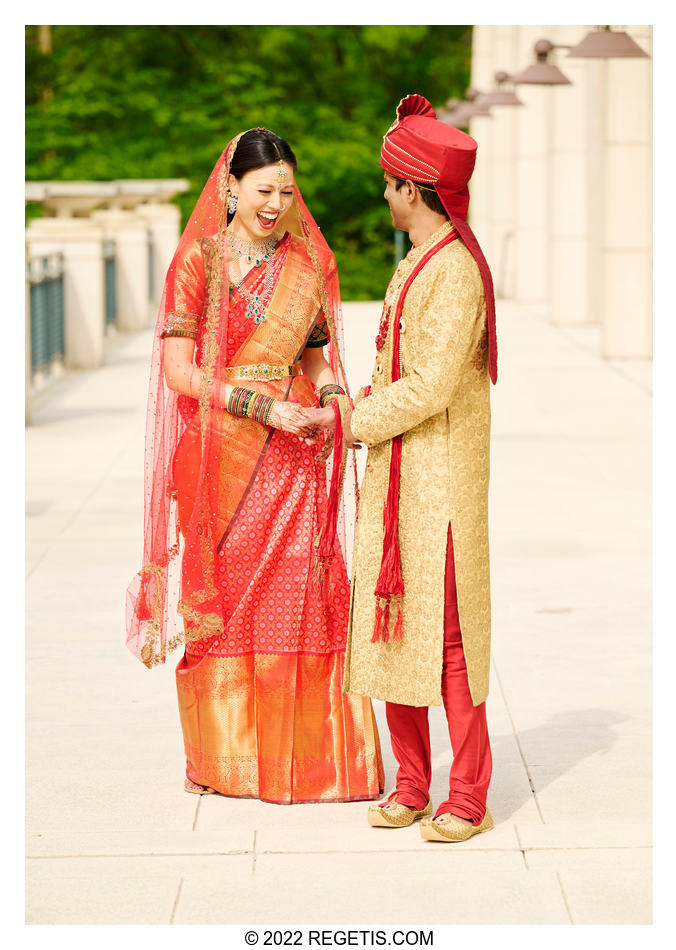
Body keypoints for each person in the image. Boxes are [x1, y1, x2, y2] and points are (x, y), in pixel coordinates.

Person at [125, 128, 384, 805]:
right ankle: (226, 756)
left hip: (296, 453)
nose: (275, 204)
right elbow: (179, 372)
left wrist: (331, 401)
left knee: (299, 597)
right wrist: (258, 406)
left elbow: (316, 357)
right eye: (264, 190)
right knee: (229, 603)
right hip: (223, 453)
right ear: (230, 187)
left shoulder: (307, 263)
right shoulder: (198, 263)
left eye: (287, 193)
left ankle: (312, 761)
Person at [303, 95, 498, 840]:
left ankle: (468, 794)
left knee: (449, 639)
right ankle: (413, 783)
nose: (383, 195)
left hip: (439, 486)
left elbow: (434, 385)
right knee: (392, 629)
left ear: (410, 190)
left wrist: (352, 418)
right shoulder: (420, 258)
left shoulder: (454, 272)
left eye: (389, 184)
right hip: (400, 477)